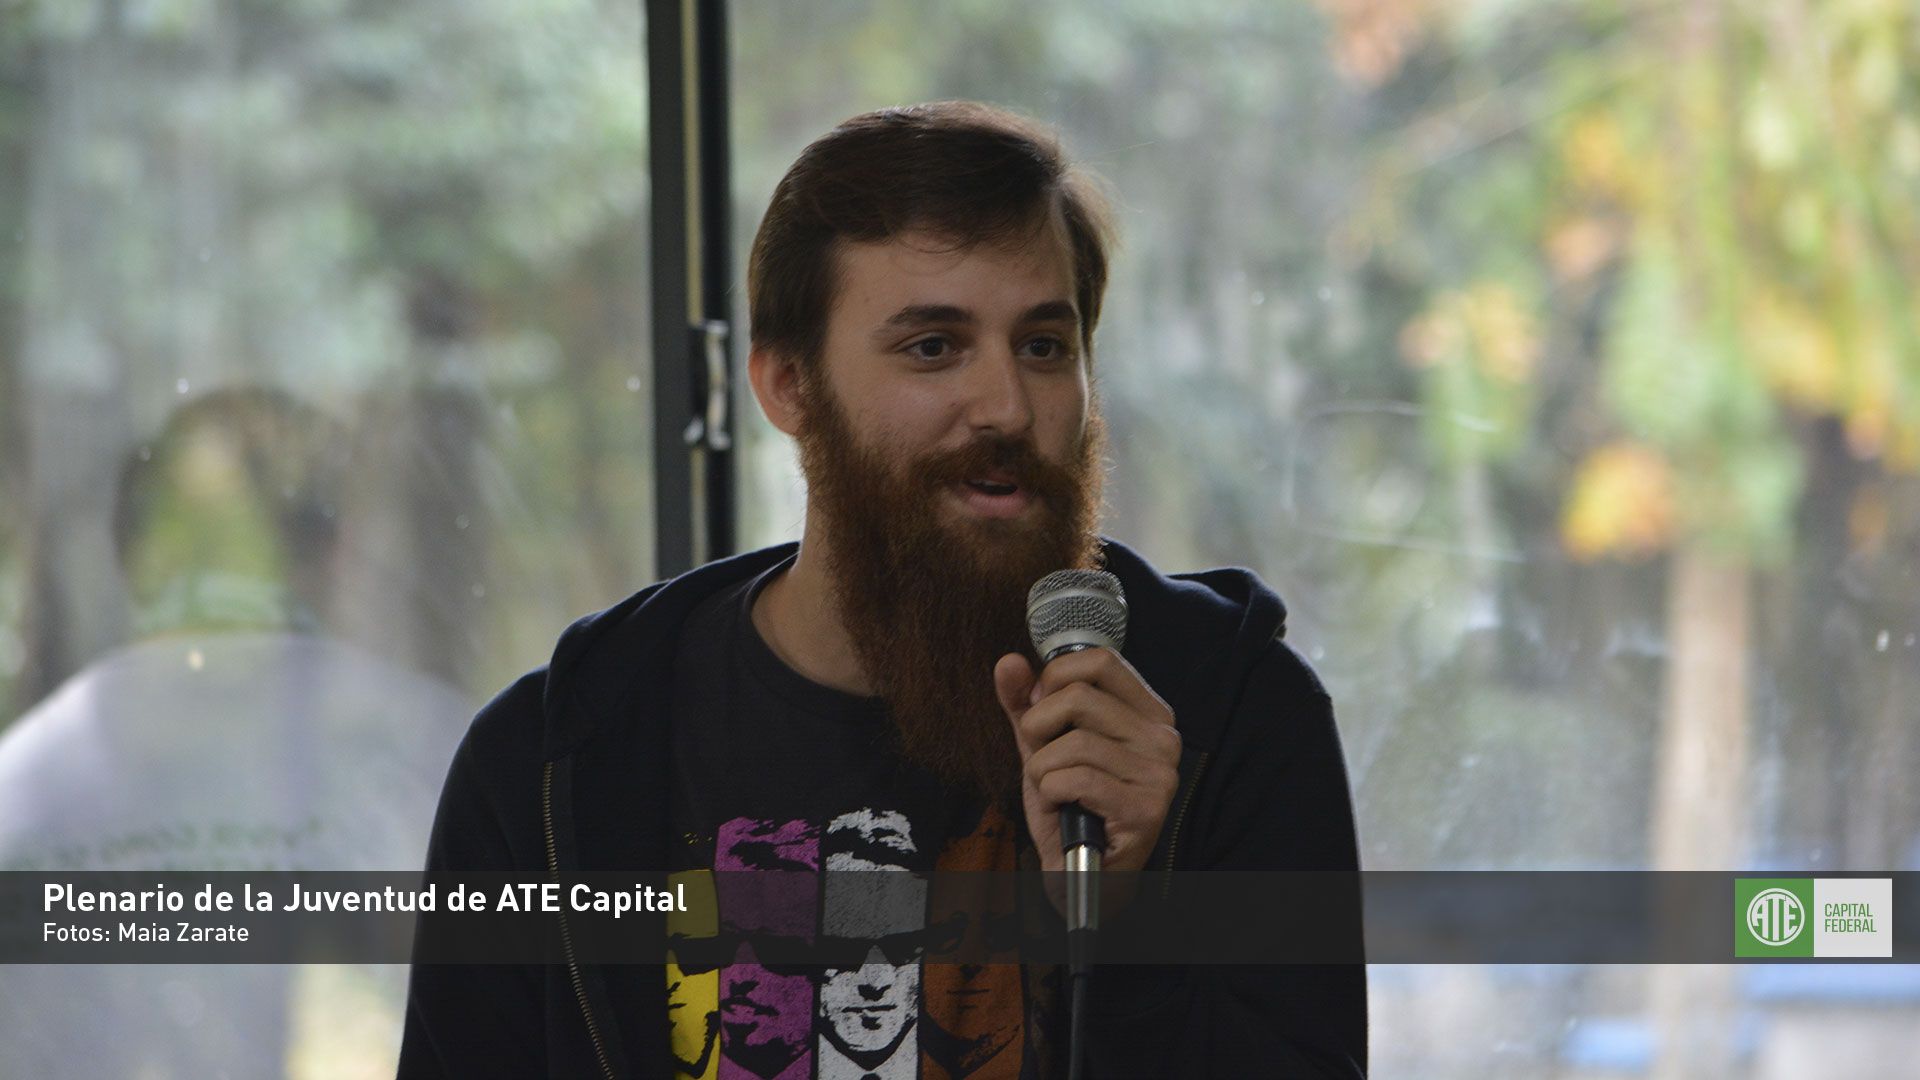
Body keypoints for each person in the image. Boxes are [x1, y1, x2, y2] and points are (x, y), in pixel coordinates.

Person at [400, 100, 1367, 1078]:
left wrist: (1127, 926)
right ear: (789, 386)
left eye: (1044, 346)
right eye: (933, 346)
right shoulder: (554, 766)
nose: (1006, 408)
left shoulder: (1225, 720)